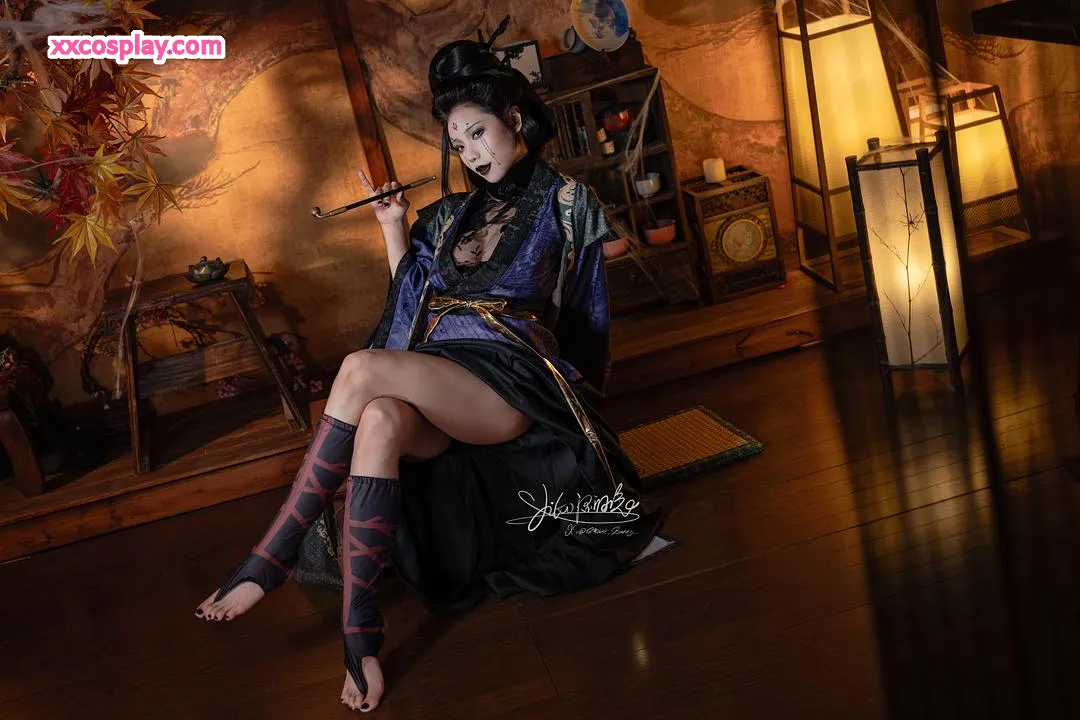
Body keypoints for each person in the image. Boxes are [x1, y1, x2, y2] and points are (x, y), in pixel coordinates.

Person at [195, 29, 665, 714]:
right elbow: (411, 307)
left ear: (513, 118)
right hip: (442, 374)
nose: (471, 152)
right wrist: (394, 227)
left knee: (360, 369)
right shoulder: (446, 217)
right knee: (379, 420)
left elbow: (592, 298)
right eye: (459, 143)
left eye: (479, 132)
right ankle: (360, 643)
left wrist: (583, 394)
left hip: (508, 382)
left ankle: (268, 559)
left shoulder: (567, 199)